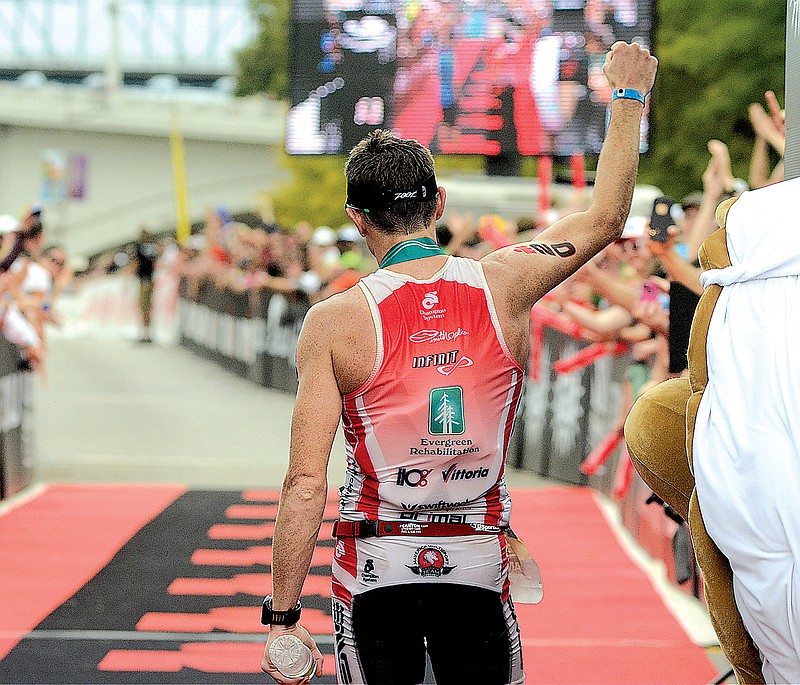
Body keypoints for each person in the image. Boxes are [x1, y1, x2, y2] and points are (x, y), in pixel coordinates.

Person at [261, 41, 657, 685]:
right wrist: (627, 96)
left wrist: (281, 615)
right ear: (439, 205)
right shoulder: (503, 282)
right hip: (476, 564)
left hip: (372, 572)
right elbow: (607, 218)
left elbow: (306, 481)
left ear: (358, 220)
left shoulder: (333, 321)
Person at [133, 228, 159, 343]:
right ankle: (147, 332)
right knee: (148, 307)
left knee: (144, 306)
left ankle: (144, 333)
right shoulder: (152, 248)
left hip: (144, 280)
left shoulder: (139, 247)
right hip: (150, 279)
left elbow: (136, 263)